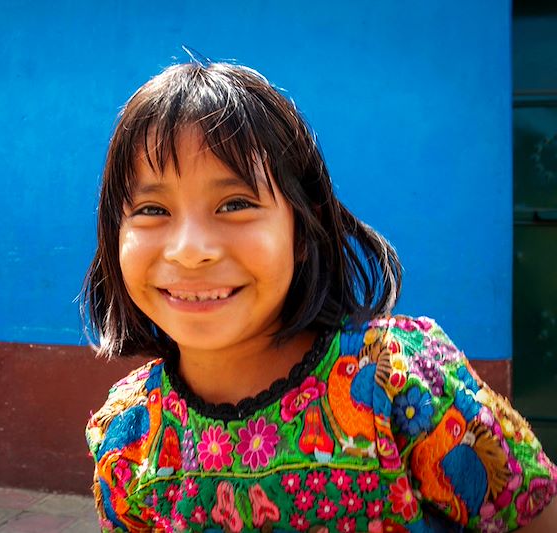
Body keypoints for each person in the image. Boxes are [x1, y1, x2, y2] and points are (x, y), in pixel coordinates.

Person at [83, 61, 557, 532]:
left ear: (301, 232)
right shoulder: (129, 434)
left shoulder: (399, 379)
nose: (189, 250)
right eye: (152, 209)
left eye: (235, 204)